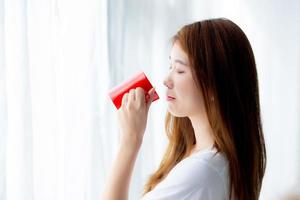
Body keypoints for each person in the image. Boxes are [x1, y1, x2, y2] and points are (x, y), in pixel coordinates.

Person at [102, 18, 266, 200]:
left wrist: (130, 139)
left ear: (214, 85)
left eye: (179, 70)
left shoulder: (202, 171)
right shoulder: (214, 159)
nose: (166, 80)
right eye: (170, 66)